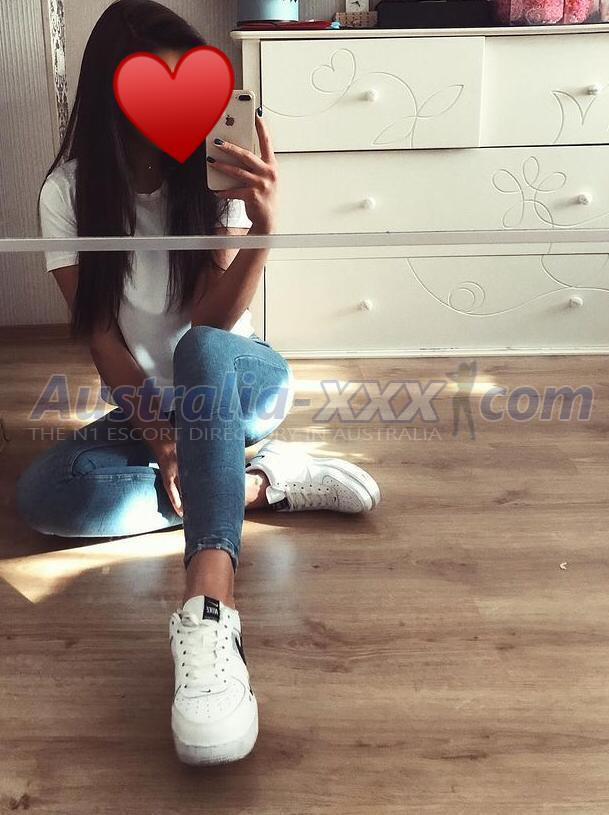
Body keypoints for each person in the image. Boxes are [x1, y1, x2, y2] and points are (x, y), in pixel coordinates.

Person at [16, 0, 381, 765]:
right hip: (152, 407)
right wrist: (162, 438)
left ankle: (209, 607)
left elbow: (213, 323)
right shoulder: (67, 194)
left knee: (200, 353)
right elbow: (103, 339)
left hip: (237, 385)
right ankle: (257, 484)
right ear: (115, 101)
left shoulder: (211, 174)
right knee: (47, 495)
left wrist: (262, 232)